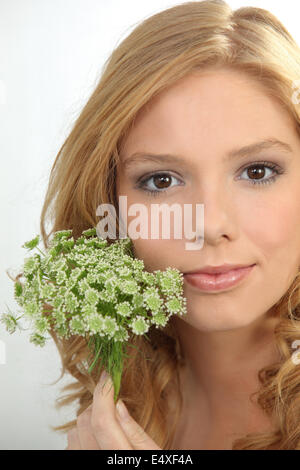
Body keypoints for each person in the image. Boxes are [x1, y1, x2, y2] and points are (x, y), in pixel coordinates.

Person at [37, 0, 300, 449]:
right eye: (161, 180)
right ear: (110, 203)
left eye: (257, 171)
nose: (210, 225)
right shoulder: (119, 406)